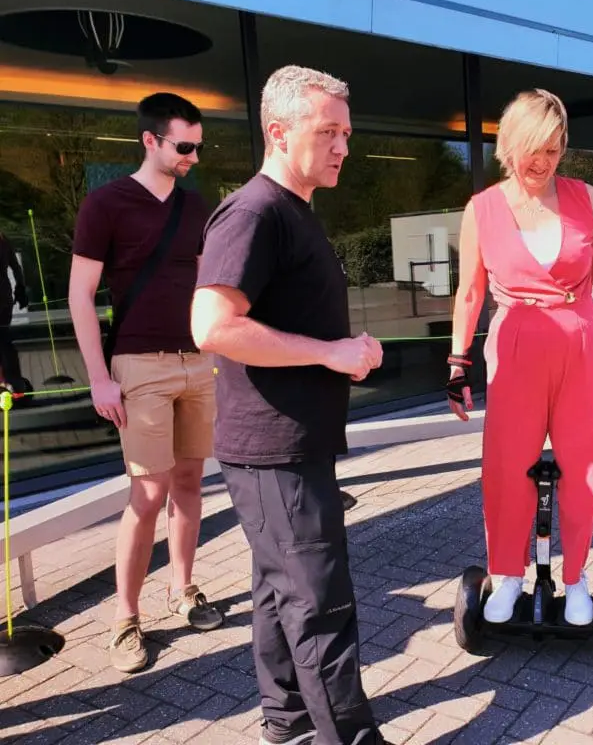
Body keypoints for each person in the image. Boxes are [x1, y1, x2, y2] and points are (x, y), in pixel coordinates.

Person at [191, 65, 391, 745]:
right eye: (328, 131)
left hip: (288, 446)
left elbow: (284, 321)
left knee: (281, 596)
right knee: (319, 604)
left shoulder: (292, 211)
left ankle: (287, 723)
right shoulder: (255, 212)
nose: (343, 147)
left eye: (346, 133)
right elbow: (212, 325)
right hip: (272, 451)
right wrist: (329, 352)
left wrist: (344, 351)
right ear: (278, 132)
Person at [447, 88, 593, 627]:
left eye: (554, 150)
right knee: (508, 467)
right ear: (509, 144)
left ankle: (576, 578)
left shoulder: (586, 198)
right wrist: (458, 362)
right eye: (533, 149)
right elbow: (470, 292)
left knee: (584, 467)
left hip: (582, 343)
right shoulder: (482, 209)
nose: (543, 162)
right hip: (515, 348)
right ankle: (509, 575)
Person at [69, 92, 223, 674]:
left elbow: (207, 285)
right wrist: (98, 378)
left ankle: (183, 589)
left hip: (197, 363)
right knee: (148, 493)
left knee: (190, 483)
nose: (192, 157)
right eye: (184, 146)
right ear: (150, 141)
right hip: (138, 364)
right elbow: (80, 295)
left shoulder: (196, 206)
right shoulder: (106, 204)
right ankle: (124, 618)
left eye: (198, 147)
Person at [0, 231, 28, 389]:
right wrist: (20, 287)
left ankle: (7, 383)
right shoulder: (3, 239)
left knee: (3, 342)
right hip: (5, 299)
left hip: (4, 300)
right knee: (5, 341)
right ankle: (13, 382)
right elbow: (16, 268)